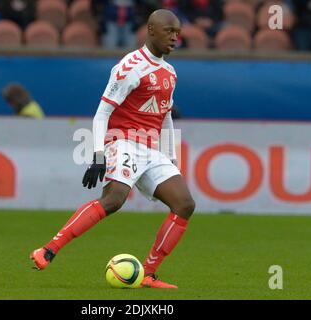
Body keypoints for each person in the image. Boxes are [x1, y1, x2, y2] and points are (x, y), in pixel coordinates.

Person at [31, 9, 195, 289]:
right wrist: (98, 154)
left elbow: (165, 115)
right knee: (114, 200)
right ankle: (48, 249)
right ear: (151, 30)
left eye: (178, 33)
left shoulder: (169, 72)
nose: (175, 38)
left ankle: (148, 273)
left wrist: (171, 157)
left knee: (185, 204)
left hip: (152, 149)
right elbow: (102, 113)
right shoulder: (130, 66)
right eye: (169, 32)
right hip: (123, 140)